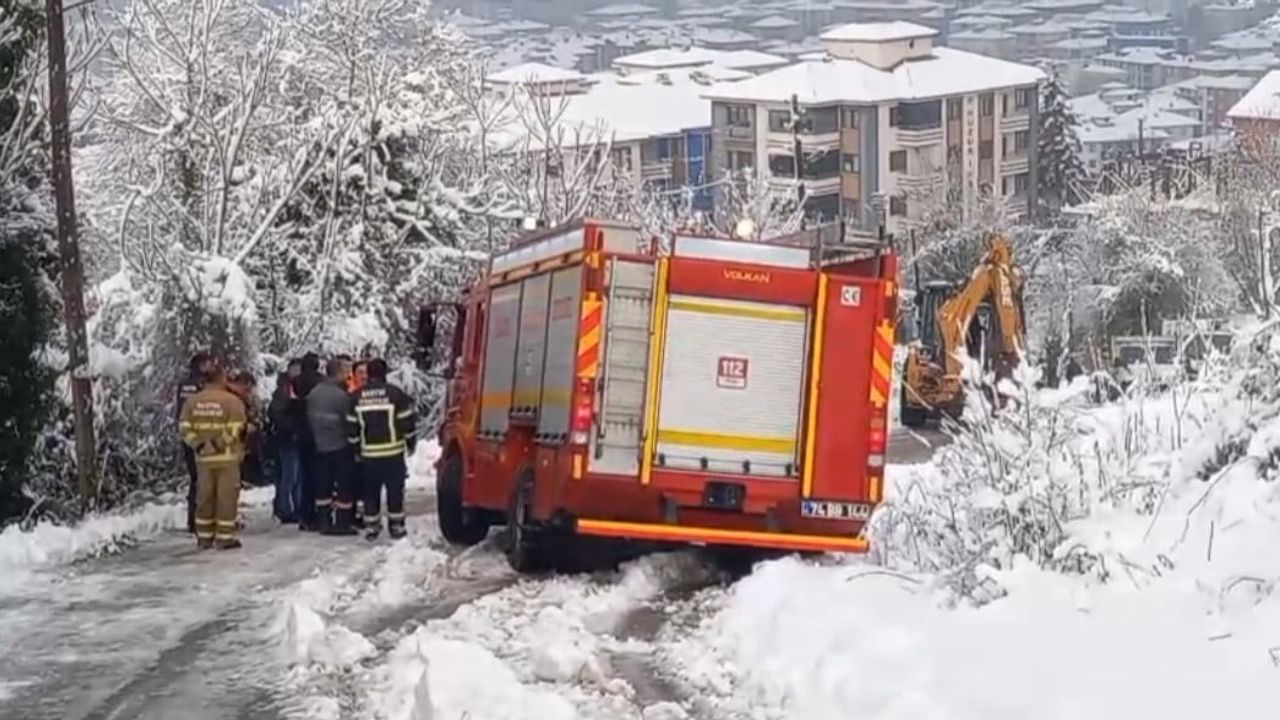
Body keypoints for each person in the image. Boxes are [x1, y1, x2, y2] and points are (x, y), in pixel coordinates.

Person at [179, 362, 249, 550]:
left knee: (204, 498)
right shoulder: (232, 402)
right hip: (226, 459)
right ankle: (224, 537)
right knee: (226, 498)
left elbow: (184, 428)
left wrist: (200, 445)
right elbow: (236, 428)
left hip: (203, 459)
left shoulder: (192, 402)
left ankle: (204, 537)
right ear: (221, 379)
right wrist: (219, 444)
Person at [346, 359, 416, 540]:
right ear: (385, 373)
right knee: (395, 490)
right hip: (393, 453)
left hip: (369, 455)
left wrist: (355, 447)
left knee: (371, 491)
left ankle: (372, 525)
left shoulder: (356, 396)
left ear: (368, 374)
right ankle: (396, 525)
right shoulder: (395, 394)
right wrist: (410, 443)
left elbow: (352, 426)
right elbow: (406, 422)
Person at [306, 358, 359, 535]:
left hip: (319, 445)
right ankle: (342, 522)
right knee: (344, 485)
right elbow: (349, 421)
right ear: (338, 373)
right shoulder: (341, 397)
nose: (348, 376)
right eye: (346, 372)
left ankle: (323, 521)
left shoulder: (314, 394)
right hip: (340, 446)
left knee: (323, 486)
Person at [176, 352, 215, 534]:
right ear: (201, 365)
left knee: (197, 479)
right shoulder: (200, 386)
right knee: (202, 479)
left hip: (189, 437)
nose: (212, 367)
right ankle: (199, 520)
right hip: (199, 438)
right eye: (209, 364)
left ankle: (195, 520)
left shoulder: (185, 384)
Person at [292, 352, 323, 531]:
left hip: (300, 433)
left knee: (304, 476)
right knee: (319, 476)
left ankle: (304, 515)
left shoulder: (294, 383)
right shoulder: (321, 382)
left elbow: (291, 405)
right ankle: (317, 515)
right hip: (317, 433)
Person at [268, 362, 302, 523]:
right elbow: (277, 414)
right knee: (289, 476)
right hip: (287, 439)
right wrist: (294, 425)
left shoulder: (291, 389)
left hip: (292, 438)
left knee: (295, 476)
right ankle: (285, 509)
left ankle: (294, 507)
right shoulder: (283, 392)